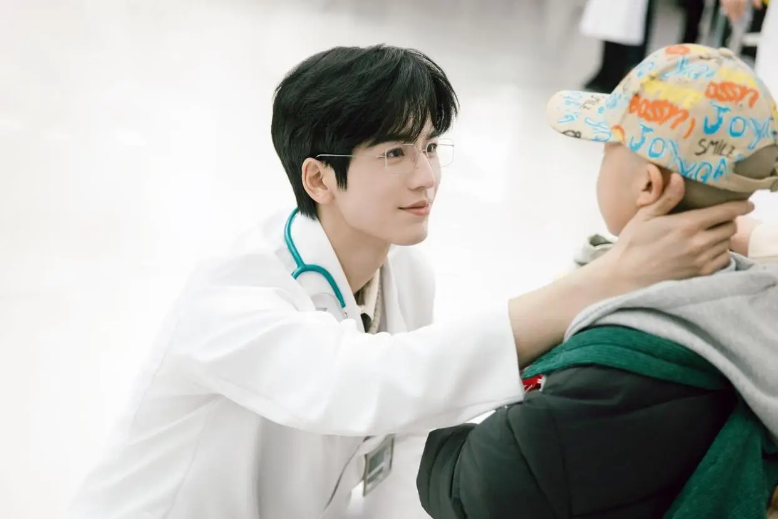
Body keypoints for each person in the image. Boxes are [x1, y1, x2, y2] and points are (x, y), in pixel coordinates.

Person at [63, 45, 754, 519]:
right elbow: (366, 383)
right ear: (319, 178)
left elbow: (399, 446)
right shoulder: (233, 297)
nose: (426, 177)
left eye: (429, 146)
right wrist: (608, 278)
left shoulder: (406, 274)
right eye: (395, 153)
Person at [417, 44, 778, 519]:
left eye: (609, 145)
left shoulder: (621, 369)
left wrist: (437, 442)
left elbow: (472, 486)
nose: (601, 157)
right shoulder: (757, 308)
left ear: (648, 186)